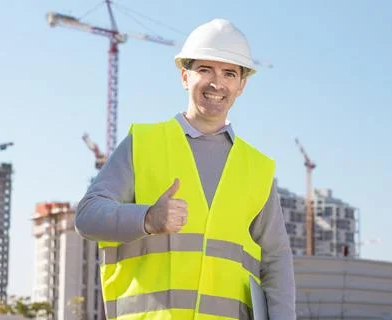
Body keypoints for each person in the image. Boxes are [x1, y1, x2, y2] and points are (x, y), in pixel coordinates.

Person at [76, 18, 296, 319]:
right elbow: (87, 216)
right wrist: (147, 219)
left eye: (229, 73)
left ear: (242, 85)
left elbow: (276, 262)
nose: (217, 83)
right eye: (205, 69)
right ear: (184, 76)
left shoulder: (257, 168)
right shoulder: (144, 143)